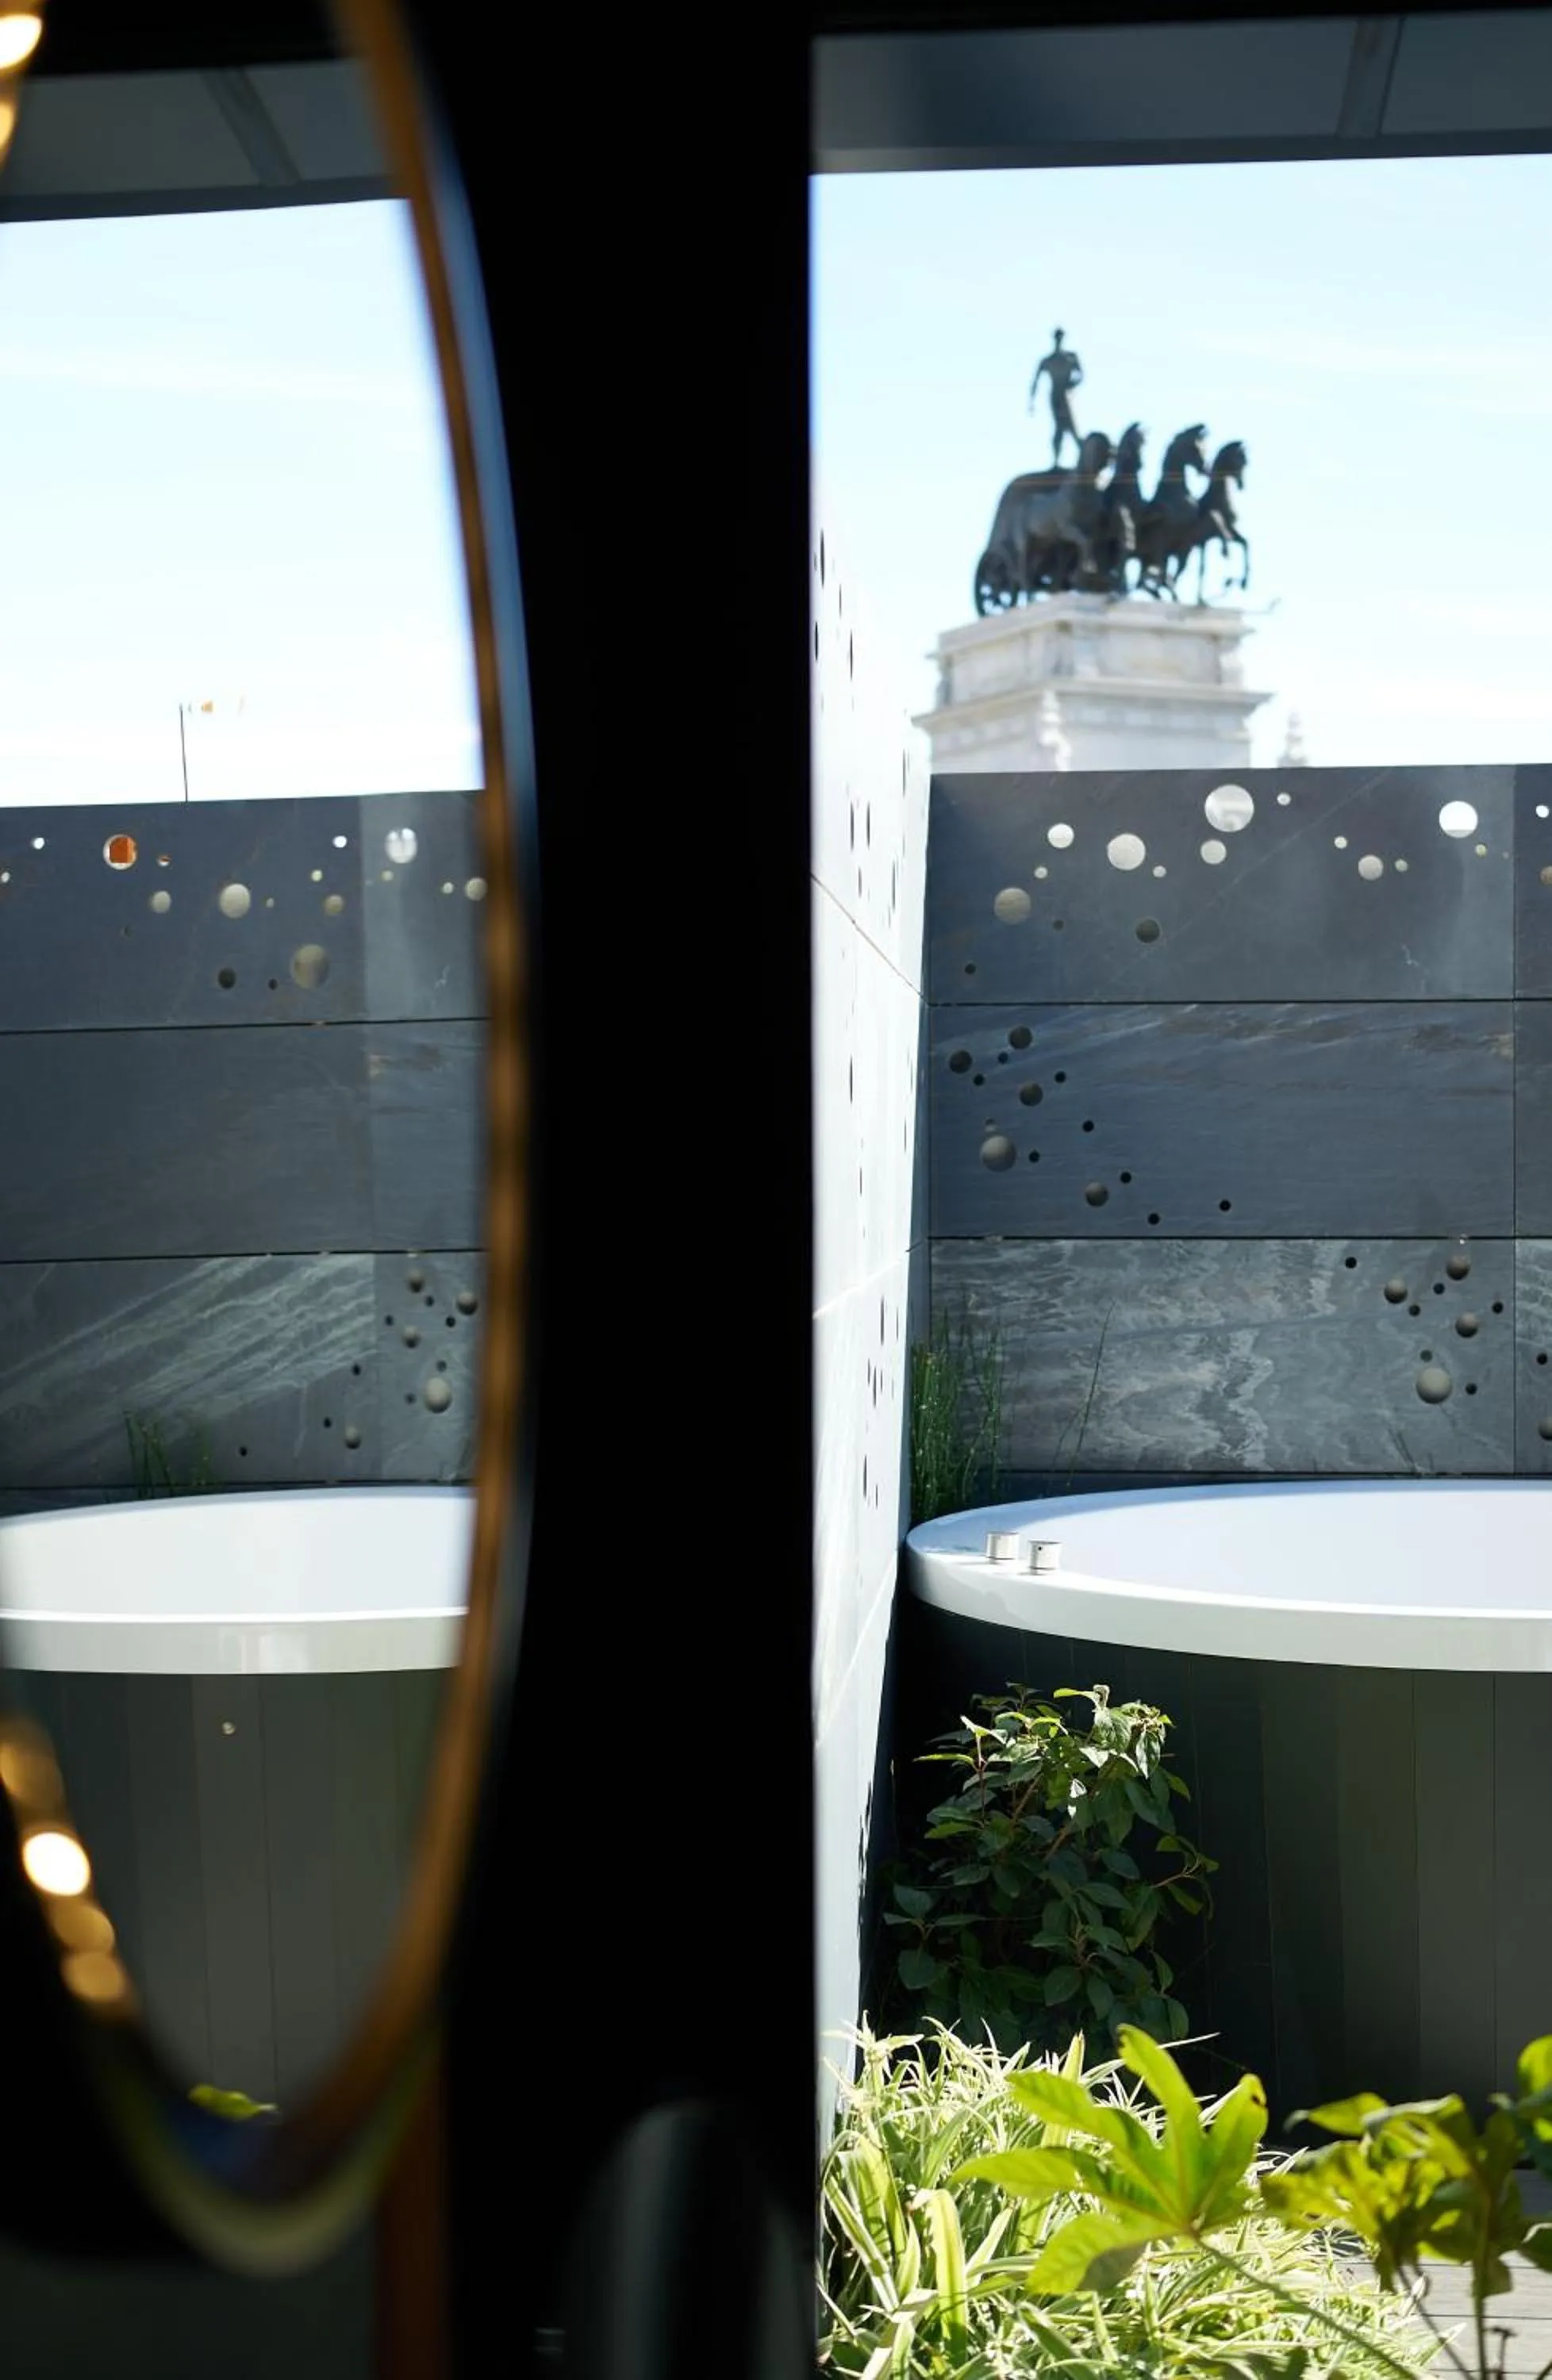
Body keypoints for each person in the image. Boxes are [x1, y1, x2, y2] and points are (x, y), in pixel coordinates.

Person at [1028, 328, 1083, 466]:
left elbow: (1081, 375)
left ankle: (1080, 455)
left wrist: (1072, 384)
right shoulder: (1048, 361)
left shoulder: (1070, 357)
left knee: (1071, 426)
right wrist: (1031, 402)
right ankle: (1057, 461)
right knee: (1060, 427)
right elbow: (1035, 382)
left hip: (1067, 395)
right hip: (1055, 396)